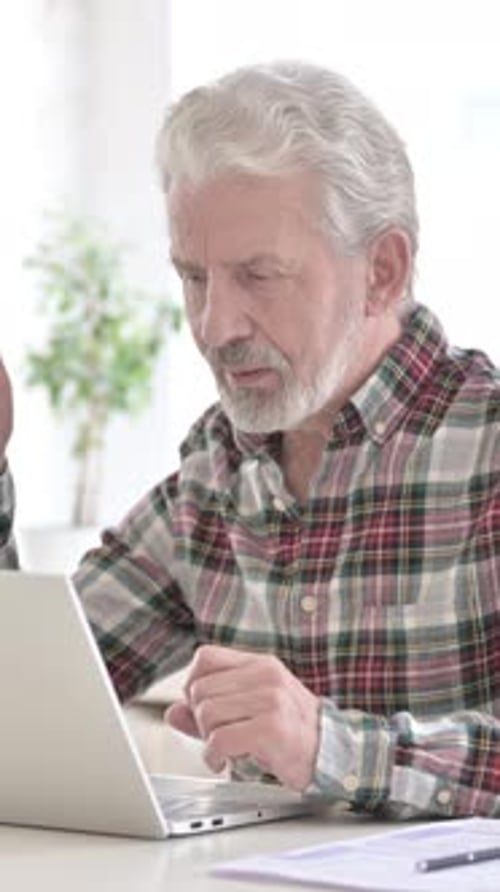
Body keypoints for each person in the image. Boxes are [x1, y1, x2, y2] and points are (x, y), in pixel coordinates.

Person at [0, 60, 498, 819]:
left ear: (383, 272)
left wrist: (329, 745)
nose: (212, 327)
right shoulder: (219, 465)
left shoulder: (487, 450)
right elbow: (26, 699)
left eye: (259, 276)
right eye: (194, 277)